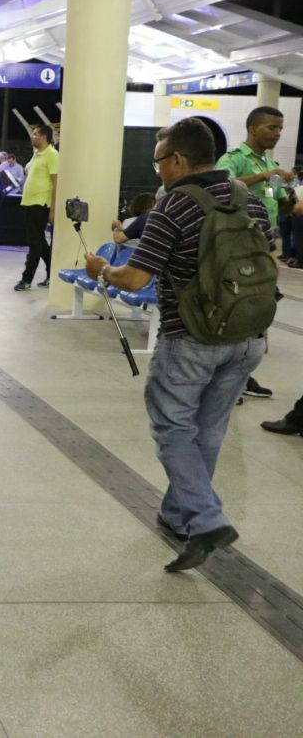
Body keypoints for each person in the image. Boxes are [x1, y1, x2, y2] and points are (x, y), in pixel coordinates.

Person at [84, 117, 271, 571]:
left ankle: (206, 519)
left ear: (178, 160)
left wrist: (101, 271)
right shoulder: (251, 201)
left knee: (173, 428)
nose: (159, 172)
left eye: (158, 163)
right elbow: (266, 267)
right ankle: (178, 515)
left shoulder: (175, 207)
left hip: (191, 338)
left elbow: (134, 278)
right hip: (247, 338)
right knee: (207, 430)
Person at [216, 106, 293, 399]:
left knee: (259, 307)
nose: (277, 133)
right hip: (239, 244)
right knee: (238, 305)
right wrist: (267, 176)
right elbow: (223, 186)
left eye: (280, 129)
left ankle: (242, 373)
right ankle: (231, 376)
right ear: (253, 129)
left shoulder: (266, 163)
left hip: (265, 243)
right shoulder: (234, 158)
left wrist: (286, 192)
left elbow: (276, 201)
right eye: (272, 128)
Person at [14, 124, 58, 290]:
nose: (32, 137)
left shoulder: (52, 155)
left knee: (35, 243)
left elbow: (56, 184)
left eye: (35, 134)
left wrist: (53, 209)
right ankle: (51, 274)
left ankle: (26, 279)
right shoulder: (36, 155)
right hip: (29, 202)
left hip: (41, 204)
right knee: (39, 241)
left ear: (44, 137)